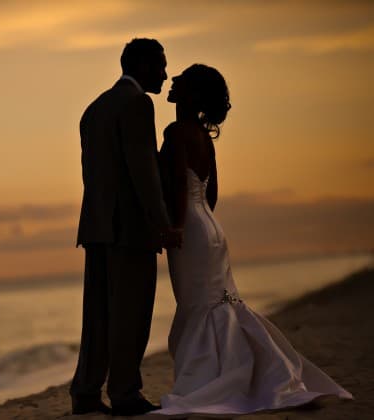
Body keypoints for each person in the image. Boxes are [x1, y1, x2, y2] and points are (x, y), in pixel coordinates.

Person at [151, 64, 354, 416]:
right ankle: (251, 372)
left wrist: (177, 228)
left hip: (190, 228)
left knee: (199, 305)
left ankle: (214, 378)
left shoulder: (176, 131)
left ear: (193, 93)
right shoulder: (201, 134)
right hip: (210, 226)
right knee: (220, 302)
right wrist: (202, 222)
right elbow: (210, 192)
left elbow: (179, 190)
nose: (174, 80)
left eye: (182, 78)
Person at [70, 38, 182, 416]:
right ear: (143, 65)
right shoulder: (137, 103)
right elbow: (143, 172)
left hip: (97, 226)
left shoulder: (94, 108)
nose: (166, 75)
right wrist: (162, 223)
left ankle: (85, 392)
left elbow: (93, 175)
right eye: (161, 66)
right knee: (131, 315)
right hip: (129, 229)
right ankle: (124, 393)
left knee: (97, 316)